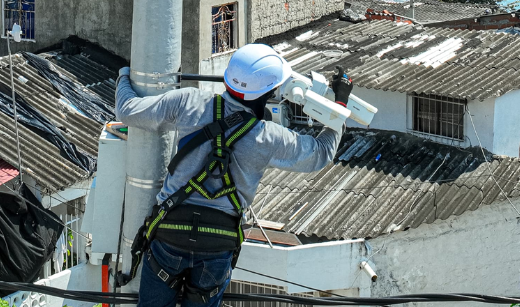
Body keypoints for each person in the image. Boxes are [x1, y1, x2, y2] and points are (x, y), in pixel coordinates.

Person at [115, 43, 351, 307]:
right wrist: (340, 104)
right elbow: (320, 152)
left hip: (170, 234)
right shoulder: (267, 137)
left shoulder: (188, 102)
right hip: (217, 244)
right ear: (268, 91)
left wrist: (125, 75)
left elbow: (127, 110)